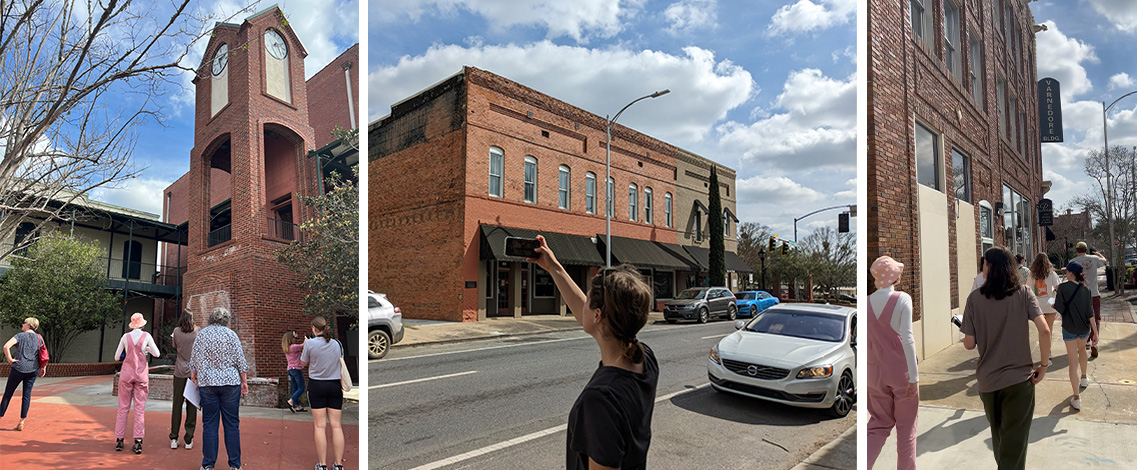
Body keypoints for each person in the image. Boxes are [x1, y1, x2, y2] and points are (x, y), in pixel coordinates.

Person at [528, 235, 658, 470]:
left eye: (588, 299)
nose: (583, 304)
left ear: (598, 314)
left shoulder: (601, 399)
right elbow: (585, 313)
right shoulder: (645, 359)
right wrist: (554, 267)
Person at [960, 246, 1051, 470]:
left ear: (988, 267)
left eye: (983, 264)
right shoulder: (1023, 293)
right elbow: (1045, 330)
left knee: (1000, 439)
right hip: (1020, 380)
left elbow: (969, 344)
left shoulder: (973, 299)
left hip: (988, 381)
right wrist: (1044, 365)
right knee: (1015, 445)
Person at [866, 256, 918, 470]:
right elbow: (907, 338)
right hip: (901, 374)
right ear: (895, 276)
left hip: (874, 374)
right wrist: (914, 378)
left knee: (878, 425)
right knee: (907, 431)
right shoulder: (902, 299)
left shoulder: (866, 301)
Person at [190, 307, 249, 470]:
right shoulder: (231, 335)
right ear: (226, 320)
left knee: (209, 423)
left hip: (208, 383)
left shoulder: (202, 334)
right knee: (232, 423)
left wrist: (194, 378)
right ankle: (235, 465)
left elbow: (194, 360)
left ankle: (208, 464)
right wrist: (244, 381)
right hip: (230, 382)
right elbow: (240, 361)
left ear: (211, 319)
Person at [301, 317, 346, 470]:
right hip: (334, 385)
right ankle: (339, 465)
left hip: (317, 385)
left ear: (314, 328)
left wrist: (306, 345)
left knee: (320, 426)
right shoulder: (337, 344)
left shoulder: (310, 344)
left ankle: (322, 465)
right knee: (336, 426)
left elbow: (303, 363)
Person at [114, 312, 160, 454]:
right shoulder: (147, 336)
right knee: (139, 408)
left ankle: (119, 440)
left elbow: (116, 357)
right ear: (143, 324)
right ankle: (138, 441)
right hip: (141, 375)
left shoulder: (125, 337)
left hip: (126, 374)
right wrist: (146, 349)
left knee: (123, 407)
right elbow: (157, 354)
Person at [1054, 262, 1094, 411]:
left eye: (1067, 271)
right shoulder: (1086, 289)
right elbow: (1090, 313)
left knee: (1072, 360)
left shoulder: (1063, 287)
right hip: (1084, 328)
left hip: (1069, 328)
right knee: (1082, 350)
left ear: (1071, 273)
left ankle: (1076, 397)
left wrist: (1055, 299)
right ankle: (1084, 377)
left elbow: (1059, 307)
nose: (1066, 273)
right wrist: (1095, 332)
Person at [1, 317, 47, 431]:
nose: (22, 324)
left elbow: (6, 346)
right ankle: (21, 422)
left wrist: (10, 359)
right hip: (33, 369)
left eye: (24, 323)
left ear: (29, 325)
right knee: (26, 395)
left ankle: (0, 416)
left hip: (18, 368)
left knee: (8, 393)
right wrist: (43, 367)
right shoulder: (39, 338)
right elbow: (43, 353)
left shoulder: (20, 336)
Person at [171, 309, 201, 450]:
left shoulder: (176, 331)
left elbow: (175, 347)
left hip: (179, 371)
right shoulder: (197, 331)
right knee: (192, 406)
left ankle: (174, 437)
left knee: (177, 405)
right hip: (193, 373)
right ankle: (188, 439)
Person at [1070, 242, 1106, 357]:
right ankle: (1095, 342)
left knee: (1083, 318)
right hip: (1094, 293)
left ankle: (1086, 341)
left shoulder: (1073, 261)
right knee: (1096, 318)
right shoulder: (1094, 259)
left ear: (1076, 250)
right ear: (1086, 249)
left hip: (1080, 294)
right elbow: (1105, 261)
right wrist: (1098, 254)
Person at [1029, 253, 1061, 340]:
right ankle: (1048, 350)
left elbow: (1028, 289)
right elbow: (1058, 288)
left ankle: (1044, 347)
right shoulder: (1052, 273)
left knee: (1041, 330)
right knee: (1049, 328)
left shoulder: (1031, 274)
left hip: (1037, 303)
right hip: (1050, 301)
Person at [283, 330, 307, 413]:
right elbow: (303, 345)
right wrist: (306, 338)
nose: (295, 339)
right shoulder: (293, 347)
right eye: (294, 337)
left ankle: (298, 406)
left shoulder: (288, 348)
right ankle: (291, 401)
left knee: (295, 388)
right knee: (301, 388)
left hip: (290, 369)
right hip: (296, 369)